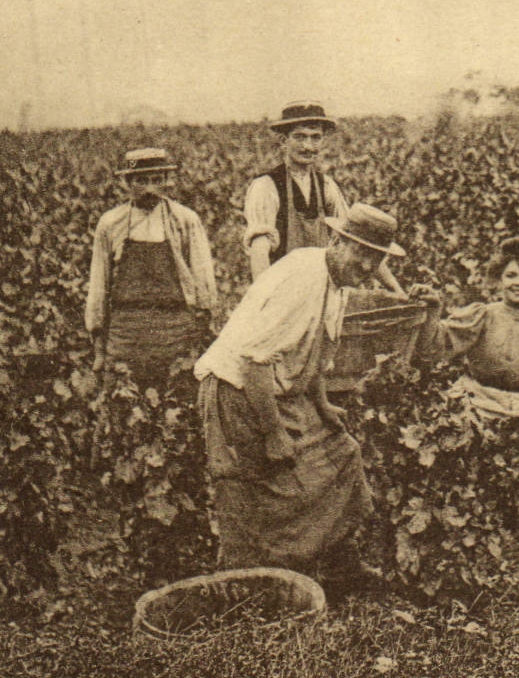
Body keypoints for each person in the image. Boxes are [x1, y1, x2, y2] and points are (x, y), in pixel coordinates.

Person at [194, 203, 416, 587]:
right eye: (361, 252)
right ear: (337, 240)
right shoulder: (303, 277)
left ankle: (336, 563)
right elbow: (255, 363)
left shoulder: (337, 282)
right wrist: (275, 433)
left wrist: (323, 404)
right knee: (251, 491)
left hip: (278, 393)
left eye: (375, 258)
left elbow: (312, 350)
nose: (366, 265)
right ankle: (246, 586)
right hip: (236, 392)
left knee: (341, 454)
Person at [85, 148, 218, 386]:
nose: (149, 189)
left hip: (174, 328)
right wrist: (99, 347)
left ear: (167, 182)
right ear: (127, 182)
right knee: (122, 400)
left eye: (156, 181)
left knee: (177, 400)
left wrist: (200, 329)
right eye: (141, 181)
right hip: (125, 331)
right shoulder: (110, 223)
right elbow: (98, 284)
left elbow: (203, 278)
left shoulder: (184, 220)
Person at [243, 100, 404, 295]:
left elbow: (357, 240)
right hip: (282, 292)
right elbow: (259, 252)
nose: (308, 146)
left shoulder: (326, 187)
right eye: (299, 137)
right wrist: (265, 302)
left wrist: (397, 290)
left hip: (320, 292)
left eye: (315, 138)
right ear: (284, 141)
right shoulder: (266, 186)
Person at [416, 236, 519, 420]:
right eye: (511, 275)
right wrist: (433, 309)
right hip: (480, 404)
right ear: (499, 279)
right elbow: (432, 348)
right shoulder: (483, 315)